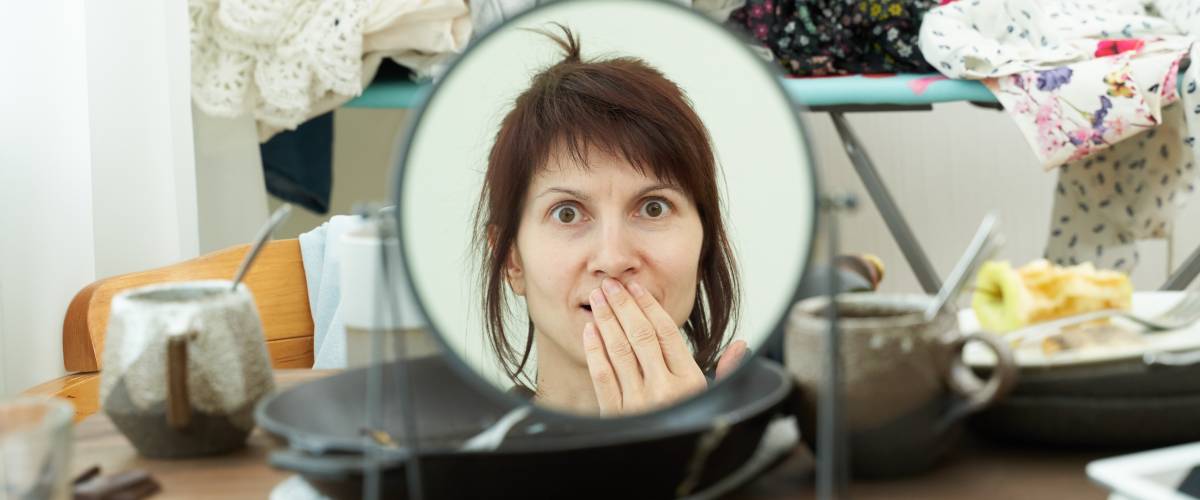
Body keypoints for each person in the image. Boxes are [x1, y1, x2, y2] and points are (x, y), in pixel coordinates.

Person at [473, 24, 747, 416]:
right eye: (567, 213)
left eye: (654, 207)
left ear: (704, 245)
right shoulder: (472, 460)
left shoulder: (762, 430)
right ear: (513, 260)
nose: (614, 258)